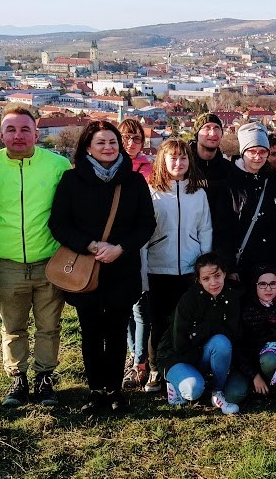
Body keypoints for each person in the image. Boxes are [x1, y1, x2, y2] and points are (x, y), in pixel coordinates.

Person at [48, 120, 156, 416]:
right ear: (87, 147)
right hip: (86, 269)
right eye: (101, 143)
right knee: (91, 332)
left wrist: (120, 247)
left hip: (121, 268)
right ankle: (96, 390)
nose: (108, 148)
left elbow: (147, 223)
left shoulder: (133, 181)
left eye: (112, 142)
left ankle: (115, 390)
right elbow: (59, 224)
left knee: (118, 329)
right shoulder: (72, 181)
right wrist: (91, 246)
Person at [0, 106, 71, 408]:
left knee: (49, 325)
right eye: (11, 130)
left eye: (25, 129)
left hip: (49, 260)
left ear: (36, 133)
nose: (18, 136)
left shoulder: (58, 165)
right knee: (12, 325)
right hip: (8, 262)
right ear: (0, 135)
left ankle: (44, 378)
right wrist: (1, 236)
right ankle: (18, 378)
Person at [143, 137, 213, 392]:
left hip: (191, 270)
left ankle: (186, 365)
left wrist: (204, 267)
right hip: (159, 269)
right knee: (158, 323)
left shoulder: (198, 193)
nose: (179, 162)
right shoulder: (152, 193)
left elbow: (205, 229)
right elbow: (144, 236)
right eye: (173, 157)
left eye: (183, 157)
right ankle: (155, 370)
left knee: (189, 322)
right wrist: (142, 273)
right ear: (163, 160)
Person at [156, 253, 248, 414]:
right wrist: (207, 331)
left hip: (202, 352)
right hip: (177, 356)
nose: (213, 283)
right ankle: (174, 381)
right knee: (193, 390)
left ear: (225, 273)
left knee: (222, 342)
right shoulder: (189, 300)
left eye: (217, 276)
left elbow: (233, 335)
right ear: (198, 280)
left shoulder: (232, 297)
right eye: (206, 279)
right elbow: (179, 344)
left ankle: (217, 391)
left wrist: (204, 329)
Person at [215, 122, 276, 284]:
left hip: (271, 267)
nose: (258, 157)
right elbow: (223, 230)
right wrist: (229, 267)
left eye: (263, 152)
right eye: (252, 152)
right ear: (243, 152)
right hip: (241, 267)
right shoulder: (228, 184)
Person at [117, 117, 153, 390]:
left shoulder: (148, 169)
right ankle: (134, 356)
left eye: (136, 139)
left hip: (140, 244)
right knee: (124, 307)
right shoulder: (109, 166)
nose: (131, 143)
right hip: (113, 246)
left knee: (139, 306)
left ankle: (140, 362)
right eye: (126, 137)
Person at [238, 265, 276, 396]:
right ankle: (257, 385)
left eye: (273, 284)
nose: (268, 289)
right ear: (254, 285)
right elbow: (239, 348)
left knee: (269, 360)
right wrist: (254, 375)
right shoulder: (245, 310)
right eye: (262, 284)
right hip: (250, 363)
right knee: (235, 394)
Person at [189, 113, 233, 213]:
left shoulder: (229, 169)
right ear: (197, 133)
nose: (213, 133)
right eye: (207, 128)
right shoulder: (183, 167)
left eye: (217, 128)